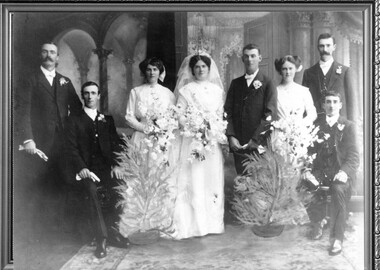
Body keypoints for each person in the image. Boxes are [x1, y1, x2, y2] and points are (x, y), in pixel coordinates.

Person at [15, 42, 83, 231]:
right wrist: (28, 139)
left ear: (58, 57)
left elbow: (77, 109)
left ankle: (60, 227)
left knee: (62, 180)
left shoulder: (65, 81)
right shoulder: (29, 79)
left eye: (52, 52)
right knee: (39, 182)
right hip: (38, 141)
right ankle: (36, 229)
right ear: (40, 55)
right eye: (44, 51)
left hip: (62, 142)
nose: (49, 55)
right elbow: (22, 111)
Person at [65, 81, 129, 258]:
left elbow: (116, 145)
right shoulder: (73, 120)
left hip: (104, 168)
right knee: (92, 191)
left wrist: (117, 164)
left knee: (120, 187)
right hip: (85, 170)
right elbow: (70, 148)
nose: (90, 96)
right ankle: (101, 237)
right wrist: (82, 168)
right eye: (86, 93)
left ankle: (113, 232)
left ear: (99, 96)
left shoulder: (106, 120)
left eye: (93, 93)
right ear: (82, 95)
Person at [172, 53, 225, 239]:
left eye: (204, 66)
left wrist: (212, 127)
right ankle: (195, 225)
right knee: (195, 178)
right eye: (197, 67)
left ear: (209, 69)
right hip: (193, 140)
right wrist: (194, 126)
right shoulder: (186, 90)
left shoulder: (217, 91)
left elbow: (220, 115)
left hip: (211, 141)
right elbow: (179, 114)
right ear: (192, 70)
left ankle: (213, 224)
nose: (201, 69)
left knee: (212, 178)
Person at [303, 91, 359, 256]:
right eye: (328, 102)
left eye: (335, 102)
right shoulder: (316, 125)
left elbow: (354, 156)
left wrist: (344, 172)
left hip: (340, 172)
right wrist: (307, 170)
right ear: (323, 105)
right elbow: (308, 151)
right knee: (304, 184)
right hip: (320, 171)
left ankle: (337, 238)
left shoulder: (348, 126)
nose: (331, 105)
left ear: (340, 105)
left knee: (338, 190)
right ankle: (318, 220)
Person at [224, 43, 277, 175]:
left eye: (253, 56)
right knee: (242, 182)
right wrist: (231, 136)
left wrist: (254, 140)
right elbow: (227, 112)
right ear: (242, 59)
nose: (249, 60)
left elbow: (270, 115)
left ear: (260, 58)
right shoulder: (236, 83)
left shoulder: (268, 83)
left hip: (258, 144)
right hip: (238, 144)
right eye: (246, 56)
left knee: (258, 185)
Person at [125, 57, 176, 163]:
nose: (152, 72)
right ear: (144, 72)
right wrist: (145, 128)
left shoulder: (168, 93)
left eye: (155, 69)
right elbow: (129, 117)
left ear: (159, 72)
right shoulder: (136, 91)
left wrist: (163, 127)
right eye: (149, 69)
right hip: (141, 136)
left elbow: (173, 116)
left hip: (161, 138)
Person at [302, 33, 357, 122]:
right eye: (321, 46)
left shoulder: (345, 71)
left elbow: (351, 103)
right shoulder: (308, 73)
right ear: (317, 48)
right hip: (315, 123)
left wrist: (352, 126)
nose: (325, 49)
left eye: (328, 45)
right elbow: (303, 103)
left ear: (334, 47)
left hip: (339, 124)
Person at [274, 55, 317, 125]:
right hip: (280, 132)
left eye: (290, 68)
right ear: (280, 71)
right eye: (284, 69)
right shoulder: (274, 92)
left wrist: (300, 125)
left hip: (298, 132)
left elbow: (312, 113)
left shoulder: (303, 91)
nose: (288, 72)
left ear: (296, 69)